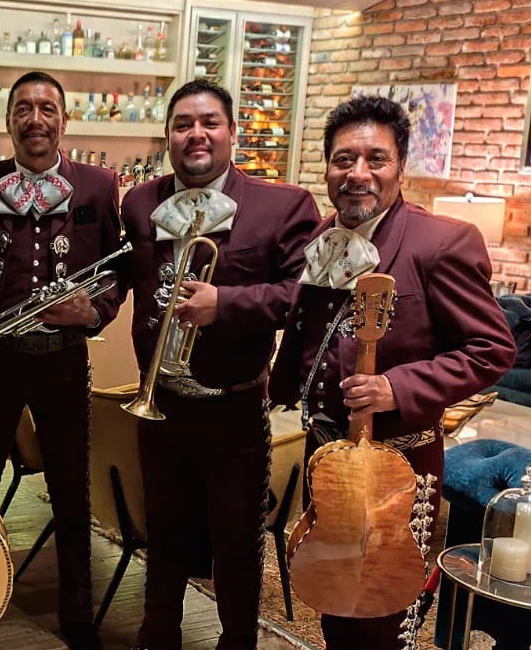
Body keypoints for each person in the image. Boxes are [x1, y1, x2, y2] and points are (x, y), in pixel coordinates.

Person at [268, 95, 516, 650]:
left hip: (399, 466)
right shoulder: (320, 239)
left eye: (375, 159)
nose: (357, 174)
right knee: (335, 595)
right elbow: (310, 329)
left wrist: (394, 386)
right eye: (343, 159)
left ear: (401, 167)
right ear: (327, 167)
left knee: (383, 610)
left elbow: (492, 348)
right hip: (327, 456)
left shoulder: (444, 242)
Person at [120, 79, 320, 650]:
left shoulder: (282, 205)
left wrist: (225, 303)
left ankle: (238, 642)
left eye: (209, 122)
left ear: (233, 131)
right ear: (167, 137)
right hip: (159, 404)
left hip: (233, 407)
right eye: (183, 124)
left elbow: (302, 295)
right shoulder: (139, 202)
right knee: (163, 532)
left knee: (236, 542)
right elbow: (123, 280)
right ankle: (157, 635)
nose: (196, 134)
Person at [0, 70, 124, 650]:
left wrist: (93, 312)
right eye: (23, 108)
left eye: (47, 108)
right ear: (8, 122)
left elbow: (118, 274)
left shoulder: (99, 186)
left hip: (64, 360)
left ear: (64, 120)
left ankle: (76, 613)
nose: (35, 119)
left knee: (72, 488)